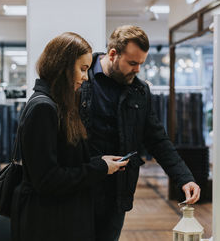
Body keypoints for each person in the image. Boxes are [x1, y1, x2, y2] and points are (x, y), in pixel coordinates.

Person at [79, 25, 201, 241]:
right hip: (79, 188)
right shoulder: (81, 79)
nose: (137, 70)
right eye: (132, 63)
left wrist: (184, 178)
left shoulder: (140, 90)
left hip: (117, 193)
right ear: (113, 54)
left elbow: (157, 139)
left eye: (141, 64)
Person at [10, 32, 129, 241]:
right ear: (62, 66)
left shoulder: (58, 105)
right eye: (82, 69)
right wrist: (99, 168)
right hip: (48, 225)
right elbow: (47, 180)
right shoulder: (44, 108)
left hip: (59, 218)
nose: (85, 76)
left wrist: (99, 162)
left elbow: (63, 163)